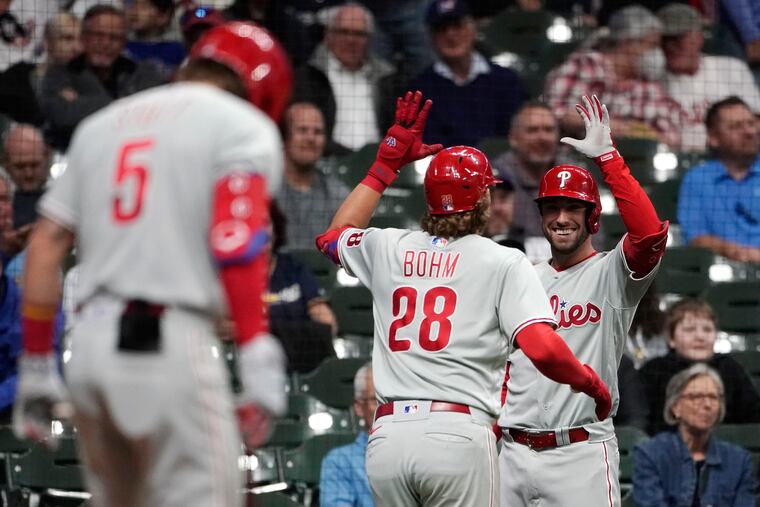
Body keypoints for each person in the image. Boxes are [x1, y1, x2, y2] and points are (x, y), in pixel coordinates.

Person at [12, 21, 293, 507]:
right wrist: (254, 350)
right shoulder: (241, 125)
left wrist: (37, 360)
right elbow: (237, 238)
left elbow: (46, 244)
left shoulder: (101, 126)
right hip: (169, 347)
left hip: (90, 353)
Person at [316, 90, 611, 507]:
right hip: (457, 434)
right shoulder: (503, 260)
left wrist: (385, 166)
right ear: (484, 199)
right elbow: (542, 349)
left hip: (387, 439)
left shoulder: (388, 247)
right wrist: (591, 384)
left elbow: (331, 236)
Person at [498, 94, 669, 506]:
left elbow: (648, 235)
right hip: (511, 454)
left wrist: (610, 160)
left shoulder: (612, 274)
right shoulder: (519, 276)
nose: (561, 217)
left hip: (580, 454)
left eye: (573, 209)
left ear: (592, 217)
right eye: (552, 208)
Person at [545, 5, 683, 148]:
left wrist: (638, 132)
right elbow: (555, 112)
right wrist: (608, 127)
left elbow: (672, 138)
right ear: (628, 43)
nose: (657, 53)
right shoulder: (585, 65)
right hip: (579, 160)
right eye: (652, 45)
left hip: (630, 166)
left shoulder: (651, 87)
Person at [40, 4, 165, 149]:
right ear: (84, 38)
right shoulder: (59, 74)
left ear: (124, 43)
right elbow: (63, 117)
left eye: (114, 38)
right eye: (98, 35)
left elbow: (153, 118)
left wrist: (82, 103)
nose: (106, 43)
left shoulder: (142, 73)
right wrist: (127, 104)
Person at [633, 364, 758, 506]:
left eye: (713, 397)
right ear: (675, 407)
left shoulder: (740, 461)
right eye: (696, 396)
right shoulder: (651, 454)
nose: (707, 404)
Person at [409, 0, 525, 149]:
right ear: (431, 38)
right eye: (442, 29)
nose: (451, 35)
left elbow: (514, 138)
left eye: (458, 26)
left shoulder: (506, 81)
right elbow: (425, 145)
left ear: (473, 29)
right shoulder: (419, 90)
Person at [640, 298, 760, 435]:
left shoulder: (731, 369)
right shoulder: (653, 371)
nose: (700, 337)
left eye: (707, 330)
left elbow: (753, 418)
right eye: (689, 330)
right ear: (671, 339)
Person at [293, 3, 397, 153]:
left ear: (369, 39)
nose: (351, 40)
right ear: (328, 35)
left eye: (358, 34)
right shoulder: (308, 77)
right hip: (327, 161)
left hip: (380, 165)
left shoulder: (388, 79)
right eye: (343, 32)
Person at [658, 3, 760, 153]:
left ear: (698, 38)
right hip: (674, 159)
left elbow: (757, 118)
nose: (671, 46)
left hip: (731, 156)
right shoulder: (651, 77)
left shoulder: (731, 68)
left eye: (679, 39)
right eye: (666, 40)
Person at [677, 96, 760, 262]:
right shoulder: (698, 180)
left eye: (751, 124)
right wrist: (736, 252)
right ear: (714, 138)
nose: (750, 132)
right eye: (736, 126)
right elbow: (696, 237)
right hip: (721, 273)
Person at [491, 101, 583, 250]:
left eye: (548, 130)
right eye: (532, 130)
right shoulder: (497, 178)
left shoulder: (574, 175)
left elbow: (594, 237)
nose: (542, 138)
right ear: (513, 138)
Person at [276, 101, 351, 249]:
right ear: (285, 137)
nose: (311, 138)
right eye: (302, 130)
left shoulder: (339, 194)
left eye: (318, 132)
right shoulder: (267, 189)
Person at [0, 12, 82, 126]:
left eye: (81, 40)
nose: (77, 47)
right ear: (47, 42)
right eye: (67, 39)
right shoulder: (14, 79)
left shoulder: (88, 84)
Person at [319, 361, 375, 507]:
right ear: (359, 407)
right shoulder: (339, 462)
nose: (386, 406)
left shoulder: (416, 452)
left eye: (391, 399)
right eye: (376, 399)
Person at [125, 0, 186, 79]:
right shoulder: (123, 47)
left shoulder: (176, 50)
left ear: (163, 16)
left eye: (144, 7)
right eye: (132, 5)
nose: (134, 12)